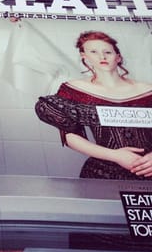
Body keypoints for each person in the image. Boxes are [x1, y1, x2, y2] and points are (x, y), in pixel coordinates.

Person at [35, 30, 152, 180]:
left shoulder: (147, 90)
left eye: (107, 52)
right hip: (103, 171)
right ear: (85, 56)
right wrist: (114, 155)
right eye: (94, 52)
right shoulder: (73, 90)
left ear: (118, 57)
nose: (102, 57)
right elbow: (70, 135)